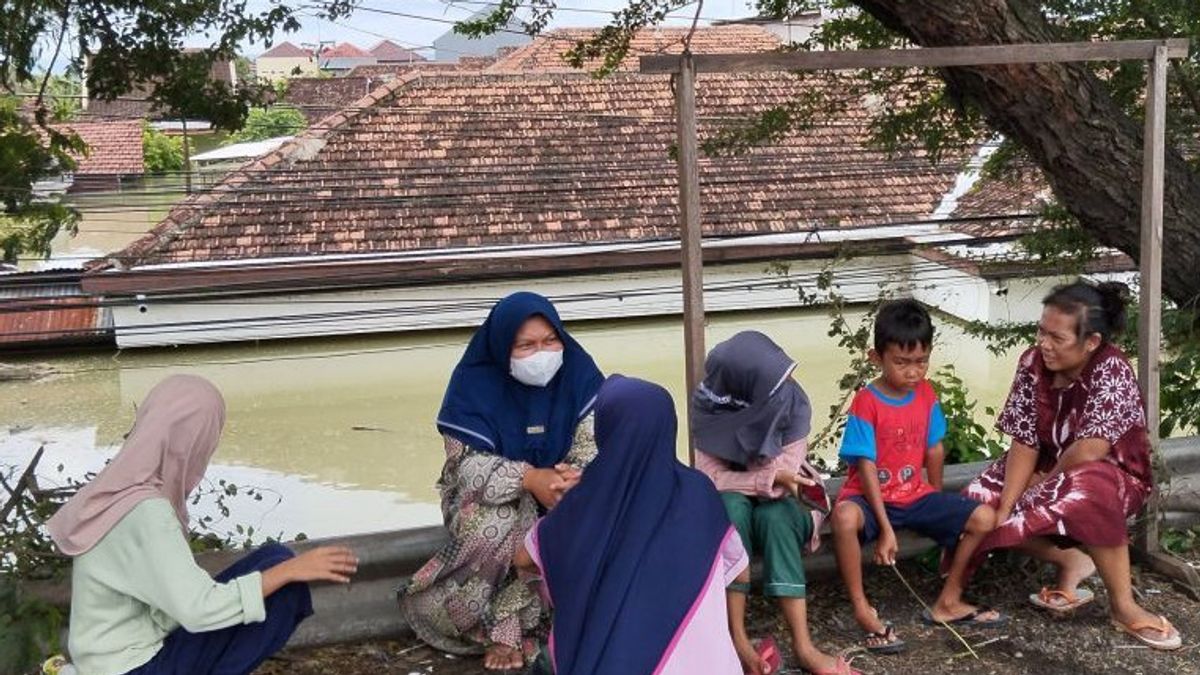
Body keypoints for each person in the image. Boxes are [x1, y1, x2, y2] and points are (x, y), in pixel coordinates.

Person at [47, 375, 358, 675]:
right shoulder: (145, 510)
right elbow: (198, 611)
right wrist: (291, 572)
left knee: (273, 557)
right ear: (190, 440)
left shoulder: (116, 488)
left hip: (106, 661)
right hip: (134, 668)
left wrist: (281, 568)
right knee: (285, 586)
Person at [964, 280, 1182, 650]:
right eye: (1040, 332)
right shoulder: (1033, 363)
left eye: (1057, 338)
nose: (1044, 344)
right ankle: (1070, 562)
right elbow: (1024, 438)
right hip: (1048, 467)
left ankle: (1124, 607)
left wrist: (1041, 486)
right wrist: (1007, 503)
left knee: (1086, 488)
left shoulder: (1112, 369)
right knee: (975, 502)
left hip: (1112, 479)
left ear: (1091, 342)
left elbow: (1089, 451)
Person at [400, 292, 604, 670]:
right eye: (525, 345)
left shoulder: (578, 371)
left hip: (562, 490)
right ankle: (503, 630)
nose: (542, 354)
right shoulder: (472, 384)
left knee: (591, 512)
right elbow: (468, 469)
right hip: (484, 498)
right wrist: (528, 478)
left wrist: (568, 478)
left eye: (549, 341)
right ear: (501, 346)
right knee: (503, 521)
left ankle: (557, 621)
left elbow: (595, 443)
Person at [515, 375, 747, 674]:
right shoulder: (700, 493)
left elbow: (523, 558)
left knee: (547, 662)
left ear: (606, 430)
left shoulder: (583, 502)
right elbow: (738, 568)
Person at [830, 299, 1003, 654]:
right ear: (876, 358)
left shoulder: (926, 393)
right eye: (902, 363)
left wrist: (935, 499)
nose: (913, 372)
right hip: (870, 497)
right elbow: (864, 468)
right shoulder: (867, 401)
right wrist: (886, 529)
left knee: (985, 517)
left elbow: (934, 449)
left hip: (914, 495)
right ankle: (862, 608)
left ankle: (949, 601)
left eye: (921, 362)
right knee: (844, 516)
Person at [691, 331, 857, 675]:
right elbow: (710, 478)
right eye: (772, 384)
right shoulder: (710, 406)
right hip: (735, 502)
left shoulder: (792, 401)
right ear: (742, 387)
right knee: (731, 511)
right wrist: (765, 480)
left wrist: (770, 480)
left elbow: (788, 474)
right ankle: (736, 638)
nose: (785, 388)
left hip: (785, 502)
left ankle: (804, 645)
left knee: (776, 516)